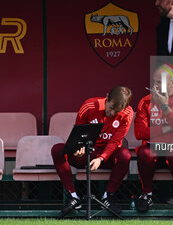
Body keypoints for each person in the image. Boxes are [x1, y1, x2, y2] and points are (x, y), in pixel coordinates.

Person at [51, 86, 134, 216]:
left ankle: (108, 196)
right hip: (86, 152)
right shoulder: (89, 106)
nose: (112, 113)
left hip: (106, 155)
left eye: (116, 111)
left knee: (125, 155)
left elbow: (115, 142)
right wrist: (77, 149)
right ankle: (73, 197)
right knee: (57, 149)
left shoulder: (128, 113)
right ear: (107, 97)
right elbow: (78, 134)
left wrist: (101, 158)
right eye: (111, 107)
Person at [134, 64, 173, 212]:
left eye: (159, 82)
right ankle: (146, 195)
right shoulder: (145, 101)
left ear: (172, 83)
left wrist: (164, 107)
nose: (154, 85)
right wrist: (166, 128)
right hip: (154, 147)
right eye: (154, 81)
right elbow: (140, 133)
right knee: (144, 152)